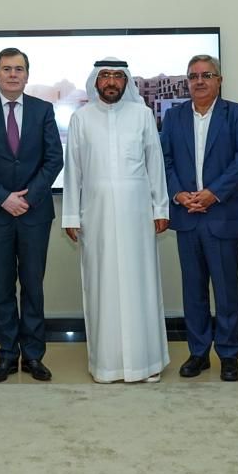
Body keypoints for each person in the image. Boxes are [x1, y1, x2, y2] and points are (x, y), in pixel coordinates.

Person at [61, 58, 171, 384]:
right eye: (105, 76)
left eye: (117, 77)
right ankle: (106, 365)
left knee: (141, 285)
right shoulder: (81, 119)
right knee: (102, 286)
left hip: (137, 217)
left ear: (126, 82)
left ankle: (146, 362)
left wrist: (160, 209)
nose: (110, 82)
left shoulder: (142, 115)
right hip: (96, 218)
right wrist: (70, 214)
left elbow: (155, 164)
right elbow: (73, 172)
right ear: (95, 81)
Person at [0, 47, 64, 383]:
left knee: (33, 286)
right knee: (3, 287)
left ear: (26, 75)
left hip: (35, 214)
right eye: (6, 68)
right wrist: (3, 199)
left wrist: (28, 198)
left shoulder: (43, 110)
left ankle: (34, 356)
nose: (12, 74)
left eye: (18, 69)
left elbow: (54, 160)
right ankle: (7, 355)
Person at [160, 54, 238, 382]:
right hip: (187, 215)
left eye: (206, 75)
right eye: (193, 76)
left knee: (227, 289)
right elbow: (165, 160)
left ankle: (229, 354)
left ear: (219, 79)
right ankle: (198, 352)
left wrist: (213, 193)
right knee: (194, 288)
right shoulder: (173, 118)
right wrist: (178, 194)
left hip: (222, 214)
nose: (199, 81)